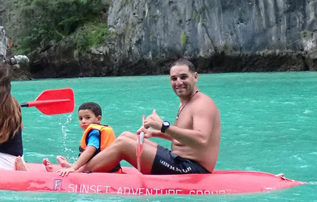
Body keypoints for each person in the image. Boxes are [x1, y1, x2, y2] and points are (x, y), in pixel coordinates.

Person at [82, 58, 220, 174]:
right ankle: (85, 166)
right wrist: (154, 133)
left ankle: (80, 172)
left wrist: (163, 126)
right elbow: (182, 137)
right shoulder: (185, 103)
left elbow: (201, 140)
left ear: (195, 77)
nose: (178, 82)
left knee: (124, 145)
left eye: (183, 77)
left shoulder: (202, 104)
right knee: (126, 136)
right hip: (179, 160)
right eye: (174, 78)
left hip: (191, 168)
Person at [40, 102, 121, 176]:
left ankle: (64, 171)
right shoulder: (96, 131)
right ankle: (69, 166)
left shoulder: (94, 133)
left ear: (98, 119)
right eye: (80, 118)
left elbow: (90, 151)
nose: (83, 121)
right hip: (104, 166)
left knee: (73, 169)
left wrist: (73, 168)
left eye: (87, 117)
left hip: (105, 169)